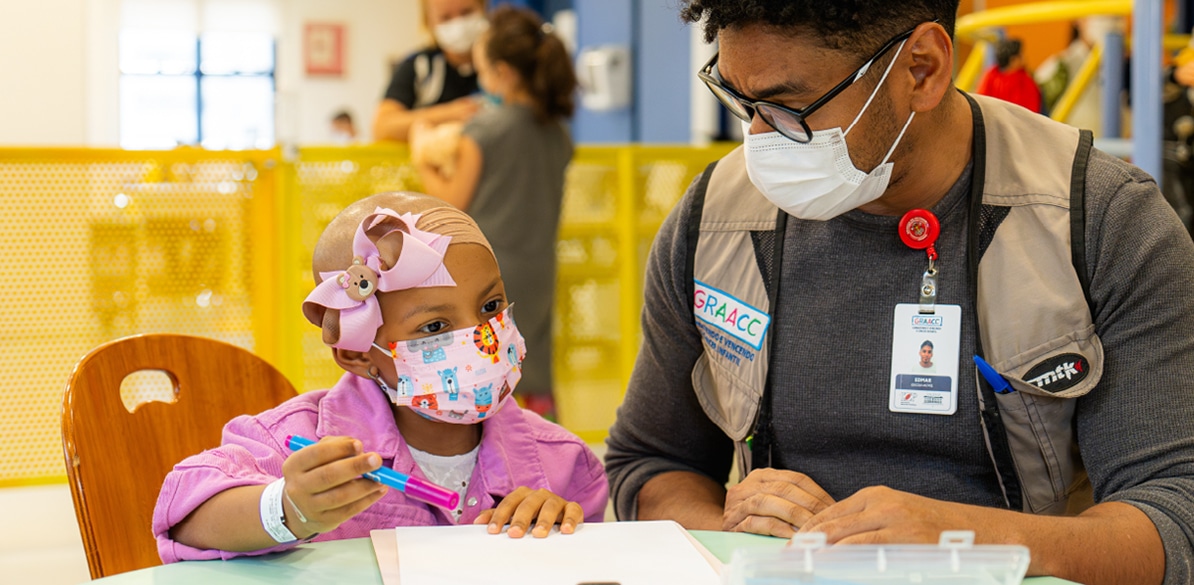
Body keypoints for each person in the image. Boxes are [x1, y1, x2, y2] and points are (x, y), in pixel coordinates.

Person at [603, 2, 1194, 584]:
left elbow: (1175, 516)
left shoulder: (1098, 221)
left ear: (922, 70)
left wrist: (966, 543)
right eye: (741, 101)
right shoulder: (718, 221)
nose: (759, 137)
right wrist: (727, 528)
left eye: (789, 107)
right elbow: (648, 464)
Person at [152, 191, 608, 563]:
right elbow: (187, 511)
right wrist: (289, 508)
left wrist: (561, 527)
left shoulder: (563, 464)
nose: (480, 336)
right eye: (435, 327)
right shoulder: (298, 441)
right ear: (356, 353)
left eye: (490, 307)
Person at [415, 5, 577, 419]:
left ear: (501, 72)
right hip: (540, 268)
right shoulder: (557, 133)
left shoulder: (484, 132)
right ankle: (544, 447)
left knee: (483, 362)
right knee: (533, 361)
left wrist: (422, 160)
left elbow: (451, 203)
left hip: (486, 274)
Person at [372, 0, 488, 142]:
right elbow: (383, 128)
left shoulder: (506, 61)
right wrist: (449, 115)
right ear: (428, 21)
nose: (458, 24)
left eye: (466, 13)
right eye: (445, 18)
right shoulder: (420, 66)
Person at [974, 38, 1042, 113]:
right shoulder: (991, 76)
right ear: (1013, 60)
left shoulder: (1025, 78)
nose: (1024, 57)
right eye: (1020, 55)